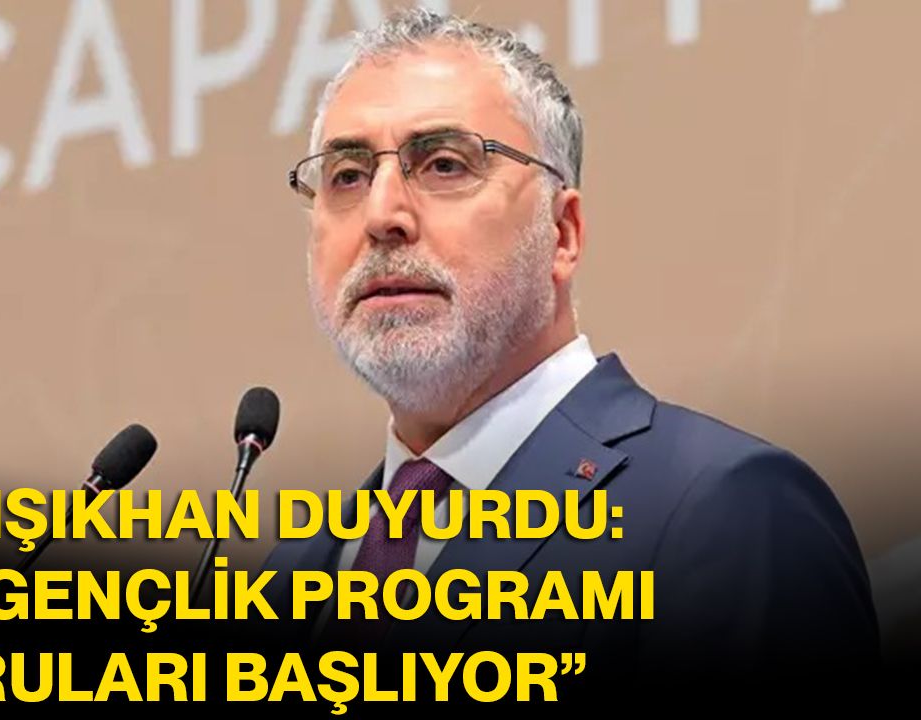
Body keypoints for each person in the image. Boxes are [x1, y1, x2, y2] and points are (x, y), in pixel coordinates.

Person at [259, 8, 878, 697]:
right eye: (347, 176)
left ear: (562, 233)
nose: (382, 216)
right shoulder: (286, 582)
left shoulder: (726, 511)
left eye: (443, 164)